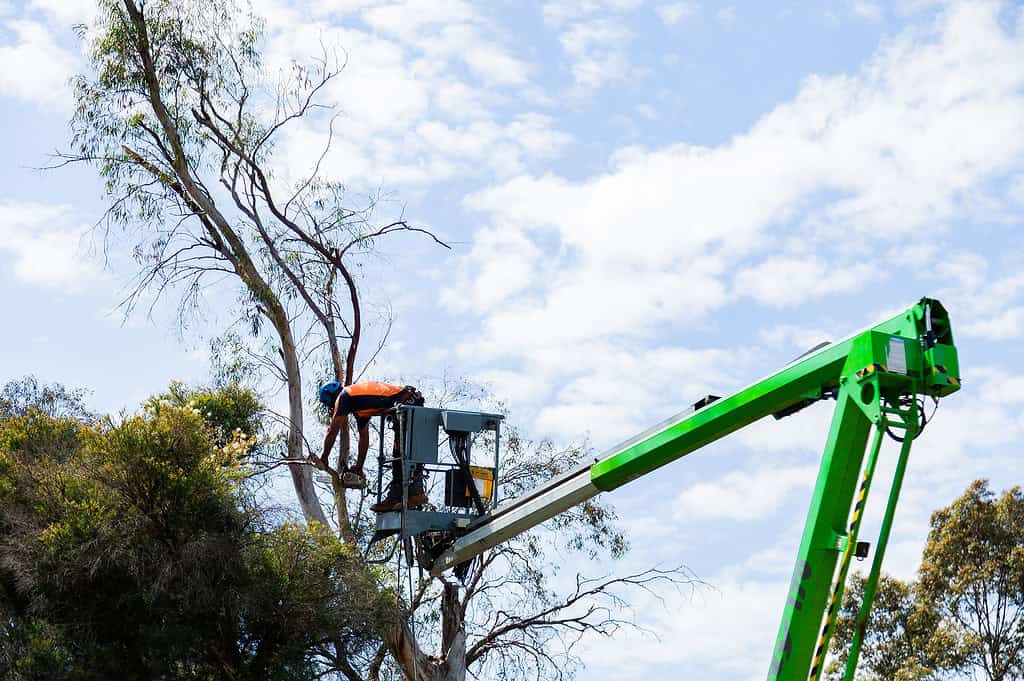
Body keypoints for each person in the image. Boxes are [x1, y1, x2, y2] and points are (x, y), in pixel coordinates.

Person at [318, 380, 427, 512]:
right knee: (400, 453)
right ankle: (402, 497)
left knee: (403, 453)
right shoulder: (358, 406)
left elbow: (333, 430)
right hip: (407, 402)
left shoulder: (344, 396)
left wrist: (323, 457)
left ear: (330, 397)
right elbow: (363, 438)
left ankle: (412, 495)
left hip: (406, 402)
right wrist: (359, 467)